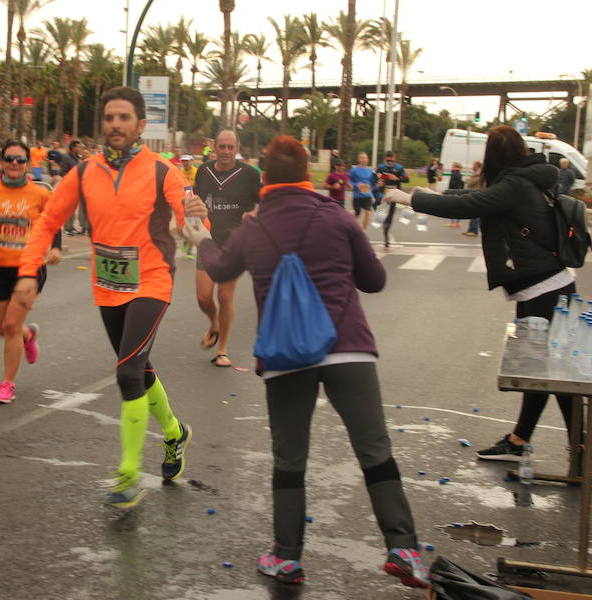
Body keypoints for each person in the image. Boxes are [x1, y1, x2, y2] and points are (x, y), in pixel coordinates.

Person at [181, 135, 429, 588]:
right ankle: (405, 548)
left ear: (265, 180)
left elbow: (218, 269)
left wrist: (199, 237)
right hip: (349, 347)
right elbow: (374, 280)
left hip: (286, 356)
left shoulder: (254, 227)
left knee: (290, 457)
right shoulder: (335, 215)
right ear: (305, 176)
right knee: (374, 449)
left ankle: (288, 558)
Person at [15, 86, 192, 508]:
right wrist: (27, 270)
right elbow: (47, 222)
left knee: (127, 373)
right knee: (139, 369)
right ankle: (174, 433)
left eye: (124, 118)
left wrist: (191, 221)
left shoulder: (164, 171)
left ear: (140, 126)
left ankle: (128, 475)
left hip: (152, 279)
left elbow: (186, 216)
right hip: (109, 284)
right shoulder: (83, 172)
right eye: (110, 118)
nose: (115, 125)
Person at [384, 125, 580, 461]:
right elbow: (470, 199)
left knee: (542, 374)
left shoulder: (516, 184)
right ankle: (537, 442)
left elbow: (470, 205)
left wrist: (411, 198)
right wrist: (420, 196)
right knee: (543, 373)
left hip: (543, 289)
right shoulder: (525, 178)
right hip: (549, 285)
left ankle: (566, 445)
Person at [0, 140, 61, 404]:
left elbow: (54, 223)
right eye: (10, 159)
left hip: (29, 269)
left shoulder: (40, 194)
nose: (15, 164)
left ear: (28, 164)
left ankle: (7, 384)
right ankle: (28, 336)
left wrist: (56, 248)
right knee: (2, 328)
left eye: (20, 160)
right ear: (2, 162)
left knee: (10, 325)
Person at [193, 130, 260, 368]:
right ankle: (214, 323)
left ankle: (222, 349)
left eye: (231, 147)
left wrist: (252, 214)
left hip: (234, 243)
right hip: (207, 239)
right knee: (203, 296)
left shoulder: (250, 174)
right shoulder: (203, 171)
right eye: (222, 147)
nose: (226, 152)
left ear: (237, 148)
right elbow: (195, 201)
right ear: (214, 147)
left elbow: (264, 203)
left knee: (224, 295)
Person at [375, 151, 409, 247]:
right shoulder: (381, 167)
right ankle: (385, 231)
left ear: (394, 159)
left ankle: (386, 237)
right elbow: (375, 176)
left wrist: (397, 179)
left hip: (394, 195)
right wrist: (382, 179)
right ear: (385, 159)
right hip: (383, 195)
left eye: (391, 160)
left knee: (390, 216)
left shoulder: (398, 168)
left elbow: (407, 179)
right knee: (382, 215)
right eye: (388, 160)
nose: (389, 162)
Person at [61, 140, 88, 235]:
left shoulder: (77, 158)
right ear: (73, 148)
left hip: (77, 185)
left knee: (73, 208)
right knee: (68, 208)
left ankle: (71, 226)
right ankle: (67, 227)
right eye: (78, 147)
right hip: (69, 185)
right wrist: (69, 180)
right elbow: (63, 172)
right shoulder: (66, 158)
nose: (79, 149)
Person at [349, 152, 377, 230]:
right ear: (358, 159)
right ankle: (349, 225)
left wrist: (372, 187)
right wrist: (356, 185)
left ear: (367, 159)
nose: (363, 159)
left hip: (367, 196)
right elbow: (349, 181)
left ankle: (363, 231)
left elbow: (373, 183)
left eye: (365, 158)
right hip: (357, 196)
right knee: (357, 215)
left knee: (368, 212)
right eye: (361, 158)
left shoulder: (370, 171)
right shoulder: (354, 170)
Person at [462, 161, 483, 237]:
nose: (472, 166)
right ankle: (471, 230)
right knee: (474, 214)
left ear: (477, 166)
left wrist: (468, 180)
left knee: (476, 214)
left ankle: (474, 231)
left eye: (473, 165)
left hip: (477, 195)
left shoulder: (479, 173)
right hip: (474, 195)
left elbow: (470, 182)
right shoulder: (476, 173)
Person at [446, 162, 465, 228]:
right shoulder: (460, 173)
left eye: (452, 165)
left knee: (453, 207)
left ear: (455, 166)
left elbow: (452, 183)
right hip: (459, 191)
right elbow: (462, 183)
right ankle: (458, 222)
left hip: (453, 191)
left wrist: (449, 191)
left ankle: (453, 223)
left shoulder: (453, 173)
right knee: (458, 207)